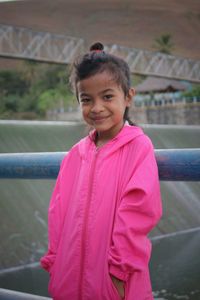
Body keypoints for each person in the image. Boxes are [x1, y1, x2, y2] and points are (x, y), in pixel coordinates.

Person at [40, 42, 162, 300]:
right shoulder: (75, 154)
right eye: (86, 99)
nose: (96, 108)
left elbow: (138, 213)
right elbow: (58, 213)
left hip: (115, 284)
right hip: (68, 280)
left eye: (107, 96)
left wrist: (119, 274)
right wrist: (54, 263)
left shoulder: (138, 147)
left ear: (128, 96)